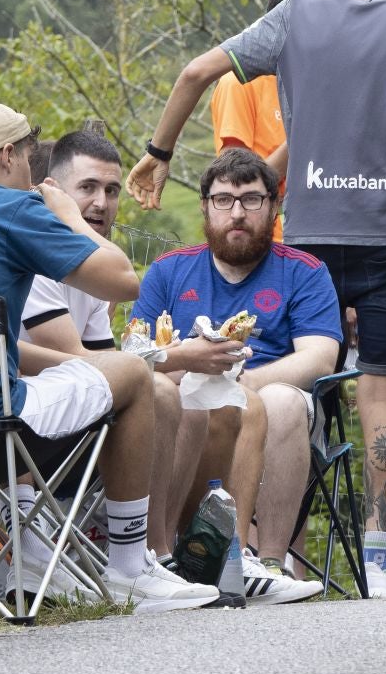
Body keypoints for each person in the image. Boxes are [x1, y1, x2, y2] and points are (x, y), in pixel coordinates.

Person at [128, 0, 386, 596]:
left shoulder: (297, 15)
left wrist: (158, 152)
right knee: (381, 399)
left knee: (293, 394)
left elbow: (194, 72)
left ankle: (279, 556)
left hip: (312, 239)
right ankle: (380, 563)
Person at [0, 102, 219, 612]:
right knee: (133, 373)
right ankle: (130, 566)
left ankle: (32, 547)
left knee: (68, 370)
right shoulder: (10, 206)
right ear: (7, 156)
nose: (33, 173)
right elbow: (124, 279)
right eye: (28, 158)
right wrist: (67, 215)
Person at [133, 149, 334, 605]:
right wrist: (196, 370)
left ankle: (267, 563)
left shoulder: (304, 271)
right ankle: (163, 557)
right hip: (185, 399)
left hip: (271, 399)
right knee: (166, 396)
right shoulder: (168, 271)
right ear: (205, 207)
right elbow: (138, 354)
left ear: (274, 206)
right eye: (224, 200)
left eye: (252, 200)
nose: (237, 213)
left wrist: (239, 386)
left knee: (279, 401)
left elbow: (320, 358)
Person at [17, 130, 183, 575]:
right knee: (160, 390)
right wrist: (167, 362)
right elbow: (80, 361)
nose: (102, 203)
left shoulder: (88, 264)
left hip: (68, 407)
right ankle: (135, 559)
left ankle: (161, 554)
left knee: (180, 396)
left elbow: (102, 356)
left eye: (111, 191)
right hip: (28, 419)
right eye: (87, 188)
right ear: (54, 193)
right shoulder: (36, 254)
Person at [209, 0, 314, 242]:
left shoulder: (314, 80)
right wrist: (309, 128)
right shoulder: (238, 83)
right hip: (271, 242)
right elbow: (236, 182)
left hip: (321, 236)